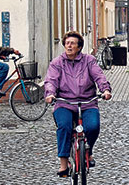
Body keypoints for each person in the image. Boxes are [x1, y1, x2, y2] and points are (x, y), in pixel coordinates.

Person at [44, 31, 112, 177]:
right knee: (64, 127)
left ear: (79, 47)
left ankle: (88, 150)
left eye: (73, 43)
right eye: (67, 43)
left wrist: (105, 89)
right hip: (64, 102)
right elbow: (51, 80)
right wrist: (50, 93)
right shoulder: (57, 63)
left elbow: (99, 76)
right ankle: (63, 164)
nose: (69, 46)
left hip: (87, 102)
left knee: (93, 126)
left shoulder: (89, 60)